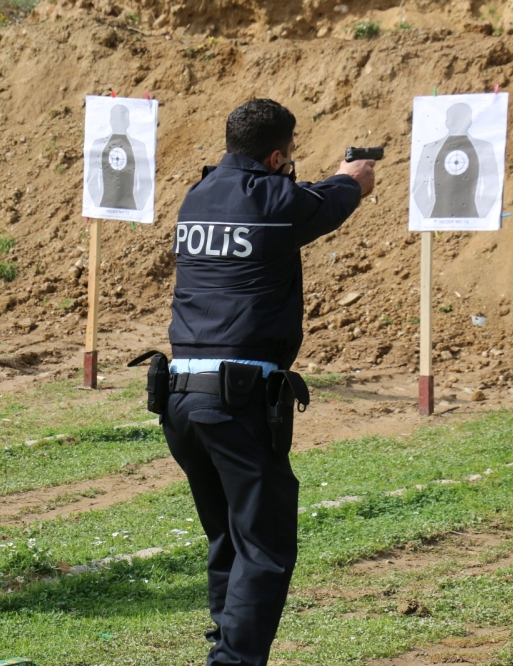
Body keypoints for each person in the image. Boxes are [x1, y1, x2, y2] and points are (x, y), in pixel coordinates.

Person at [163, 98, 375, 665]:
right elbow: (331, 200)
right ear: (277, 155)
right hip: (237, 402)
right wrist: (353, 177)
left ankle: (224, 649)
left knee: (229, 539)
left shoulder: (197, 195)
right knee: (265, 548)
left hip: (181, 397)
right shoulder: (277, 199)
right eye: (290, 157)